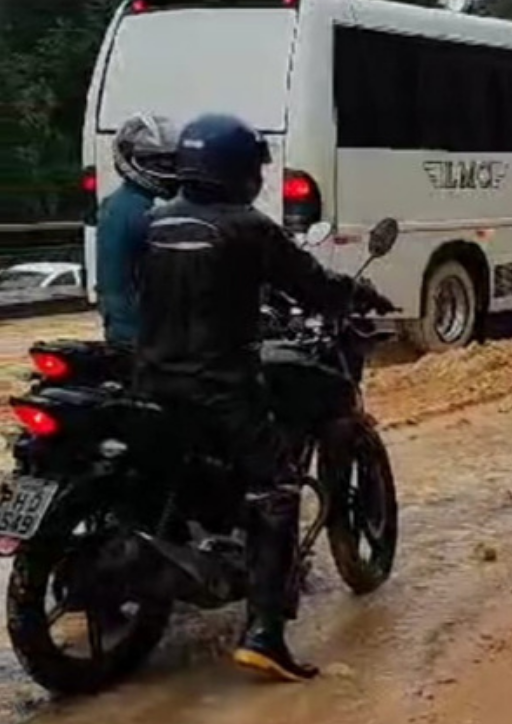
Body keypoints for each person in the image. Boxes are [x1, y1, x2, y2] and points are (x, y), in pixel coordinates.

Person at [134, 112, 394, 682]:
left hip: (150, 380)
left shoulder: (156, 223)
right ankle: (265, 634)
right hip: (220, 387)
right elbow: (310, 283)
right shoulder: (247, 227)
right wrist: (358, 294)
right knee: (276, 488)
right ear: (237, 170)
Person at [96, 113, 180, 346]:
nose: (167, 168)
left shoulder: (132, 204)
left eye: (172, 161)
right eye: (157, 162)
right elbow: (117, 282)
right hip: (142, 335)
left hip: (148, 332)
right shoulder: (131, 209)